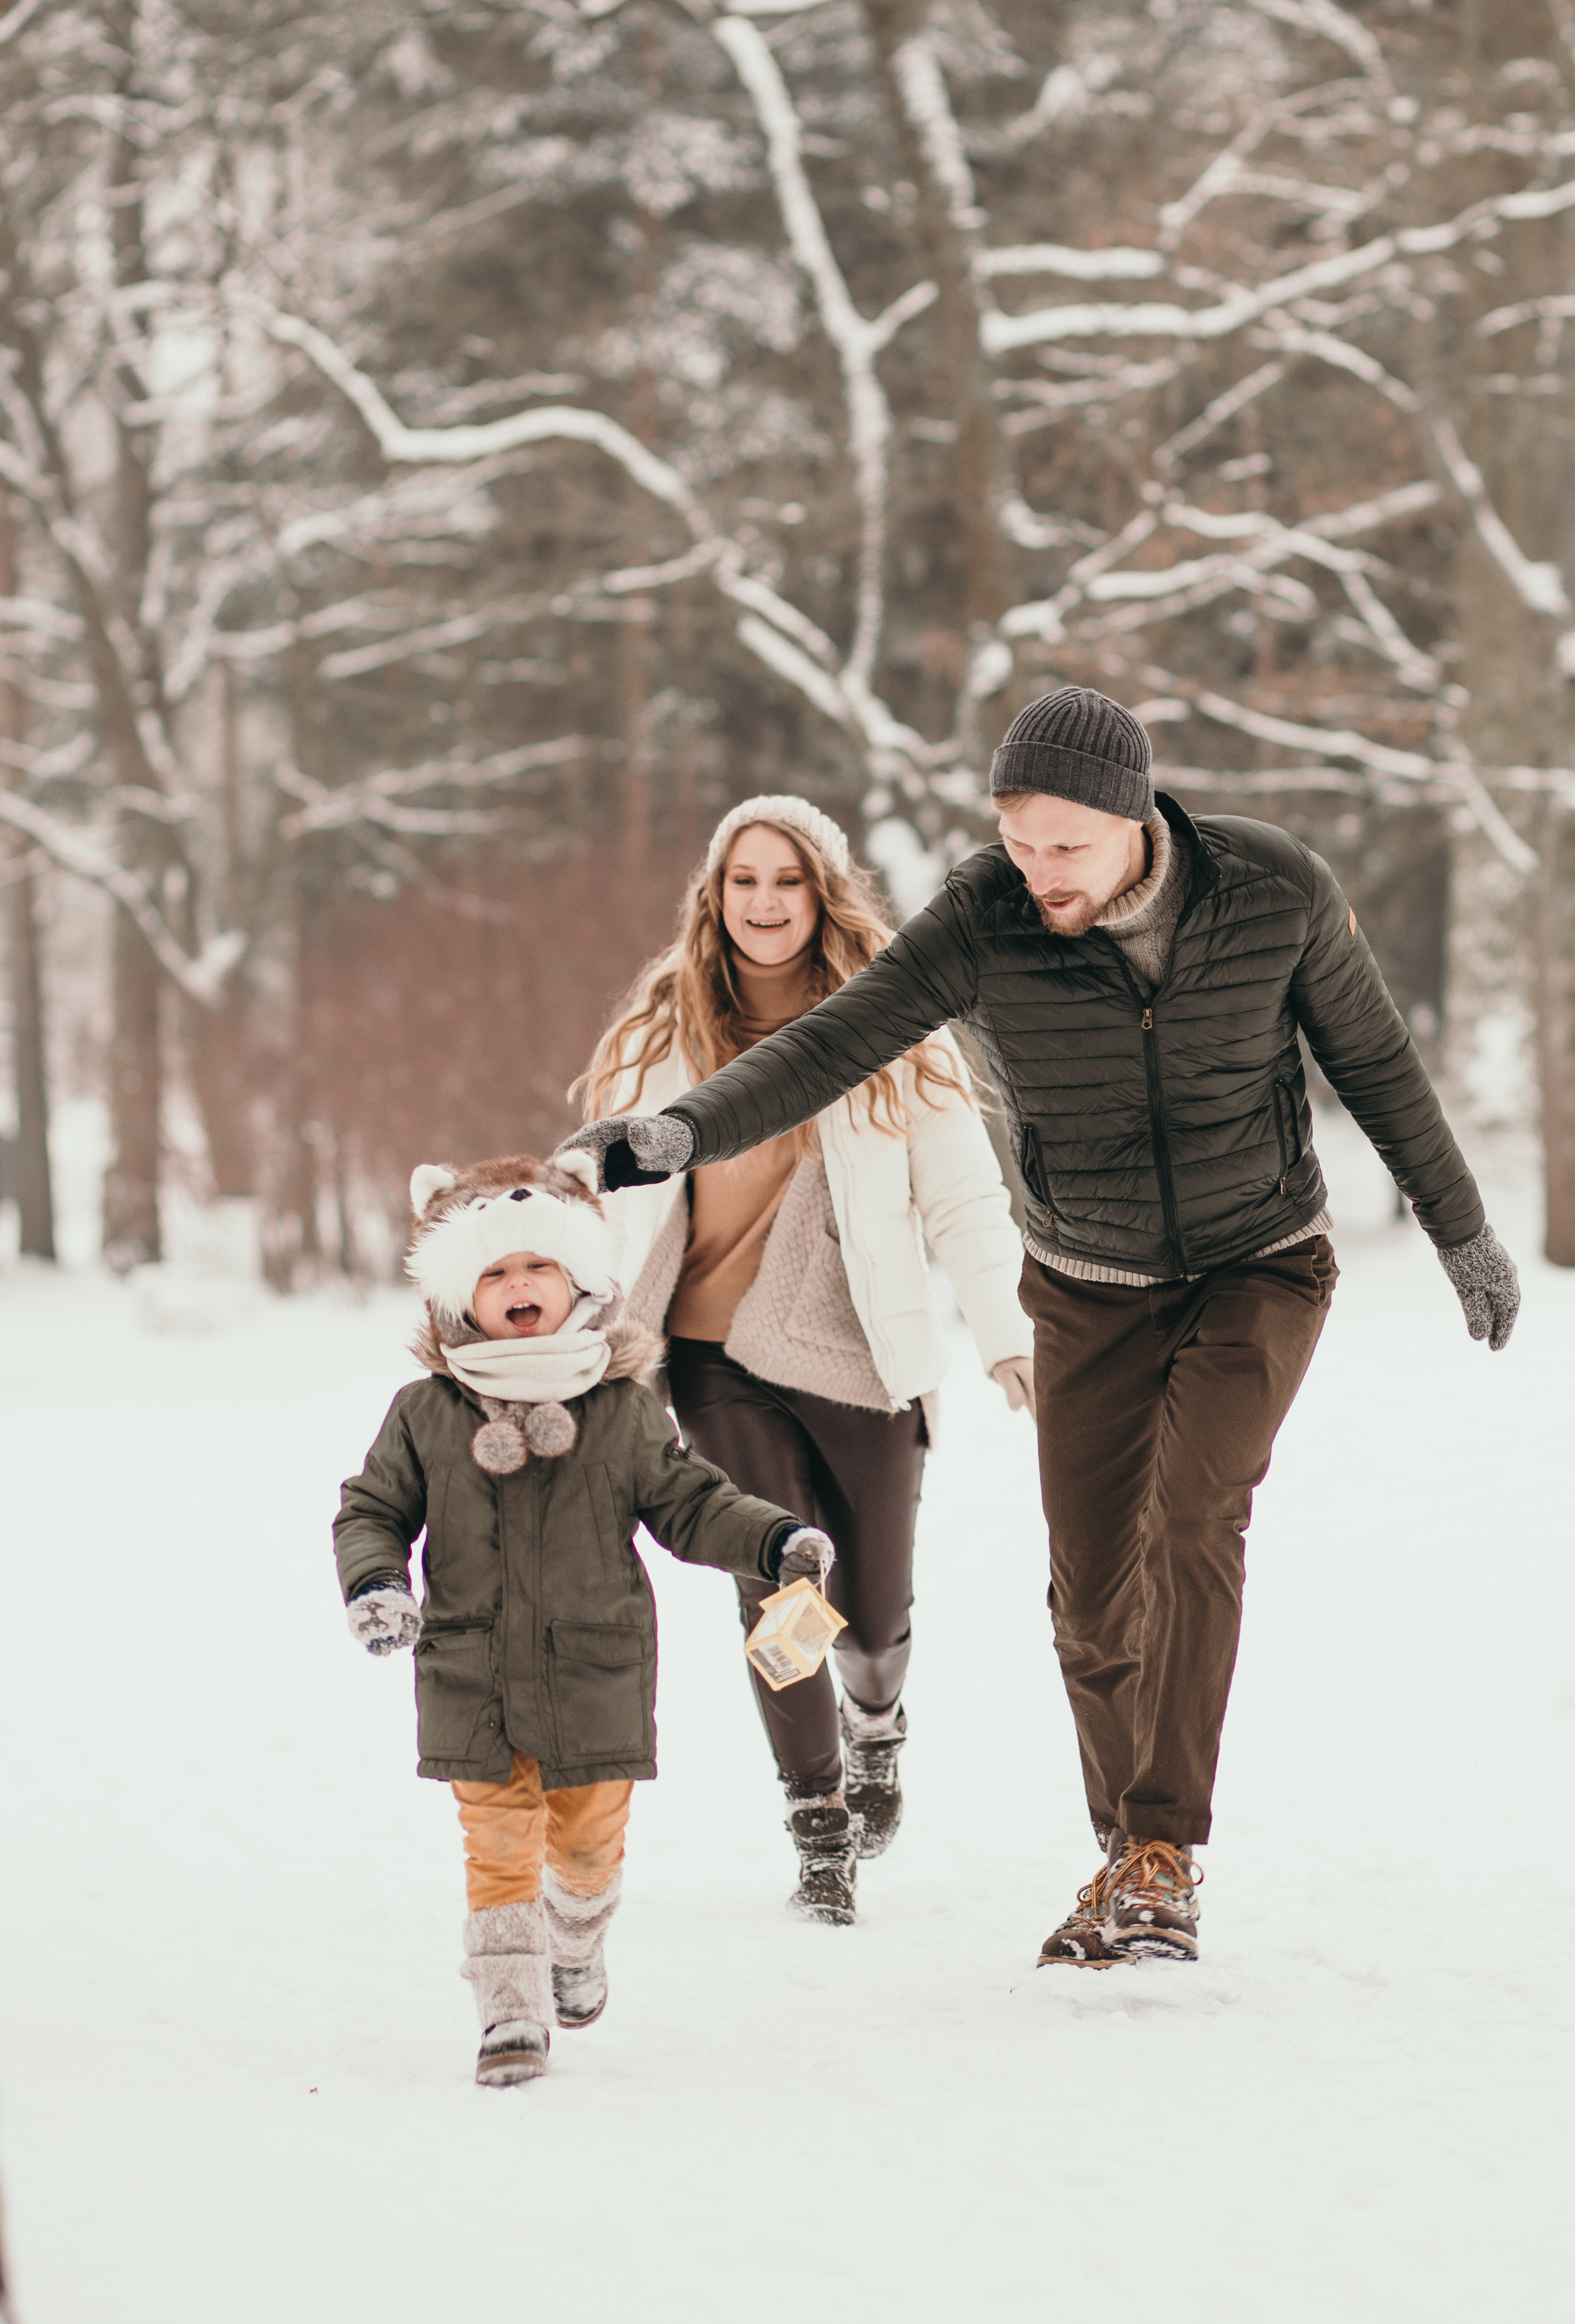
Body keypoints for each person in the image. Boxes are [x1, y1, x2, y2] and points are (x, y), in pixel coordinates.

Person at [562, 690, 1520, 1968]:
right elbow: (837, 1040)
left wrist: (1457, 1227)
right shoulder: (984, 916)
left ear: (1134, 815)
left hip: (1257, 1264)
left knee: (1191, 1515)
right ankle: (1124, 1850)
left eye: (1064, 844)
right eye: (1018, 841)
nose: (1039, 870)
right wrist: (679, 1130)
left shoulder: (1269, 888)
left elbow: (1375, 1061)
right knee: (1086, 1590)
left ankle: (1162, 1852)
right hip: (1084, 1283)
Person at [573, 794, 1033, 1925]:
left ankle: (877, 1719)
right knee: (782, 1579)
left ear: (822, 893)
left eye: (787, 880)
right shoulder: (655, 1033)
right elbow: (595, 1191)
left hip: (867, 1357)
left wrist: (1009, 1334)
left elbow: (968, 1201)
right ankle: (816, 1813)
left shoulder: (897, 1027)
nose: (766, 902)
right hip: (711, 1354)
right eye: (744, 881)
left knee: (869, 1621)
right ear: (713, 898)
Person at [333, 1149, 832, 2085]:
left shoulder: (619, 1411)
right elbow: (372, 1509)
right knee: (497, 1845)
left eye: (538, 1265)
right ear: (456, 1298)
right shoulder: (426, 1412)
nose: (518, 1284)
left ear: (579, 1281)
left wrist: (772, 1541)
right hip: (470, 1678)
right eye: (493, 1270)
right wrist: (375, 1583)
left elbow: (692, 1502)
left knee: (588, 1848)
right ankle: (509, 2011)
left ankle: (575, 1937)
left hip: (595, 1676)